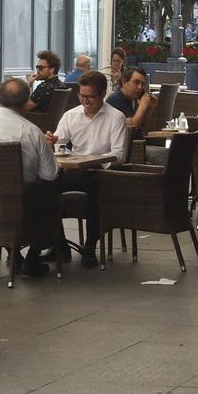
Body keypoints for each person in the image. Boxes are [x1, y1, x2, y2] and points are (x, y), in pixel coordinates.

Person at [0, 77, 59, 276]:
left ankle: (13, 255)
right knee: (51, 191)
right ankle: (32, 256)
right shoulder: (32, 132)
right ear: (25, 105)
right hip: (22, 207)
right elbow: (50, 174)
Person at [46, 71, 131, 267]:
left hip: (101, 173)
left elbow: (119, 155)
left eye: (90, 96)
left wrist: (88, 163)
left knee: (94, 189)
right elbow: (60, 142)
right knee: (47, 186)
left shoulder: (115, 117)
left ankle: (90, 245)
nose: (85, 101)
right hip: (74, 170)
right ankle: (59, 243)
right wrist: (52, 141)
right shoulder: (71, 115)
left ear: (102, 94)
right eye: (81, 96)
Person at [106, 65, 155, 137]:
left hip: (141, 143)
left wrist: (150, 108)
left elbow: (142, 126)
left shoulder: (132, 99)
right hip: (129, 146)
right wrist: (142, 106)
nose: (140, 87)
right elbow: (131, 129)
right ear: (124, 83)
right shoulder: (116, 99)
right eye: (136, 82)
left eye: (142, 84)